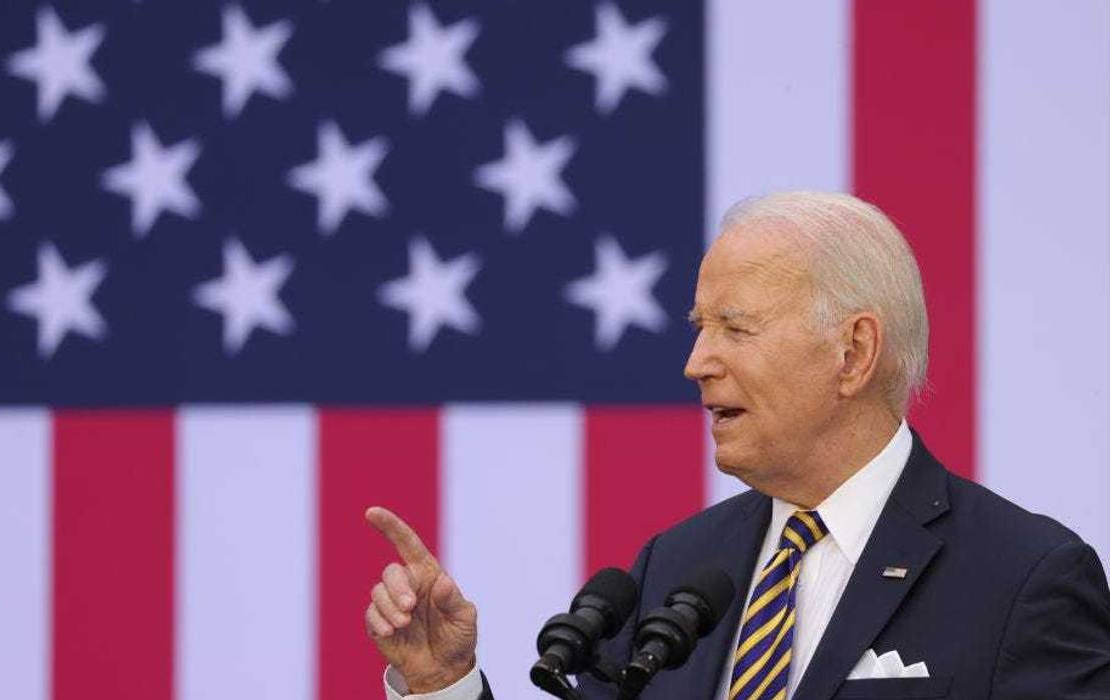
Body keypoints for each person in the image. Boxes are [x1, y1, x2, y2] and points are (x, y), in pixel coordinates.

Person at [363, 192, 1110, 699]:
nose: (696, 363)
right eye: (698, 328)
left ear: (851, 353)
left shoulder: (1023, 582)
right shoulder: (676, 567)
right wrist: (444, 682)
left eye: (735, 328)